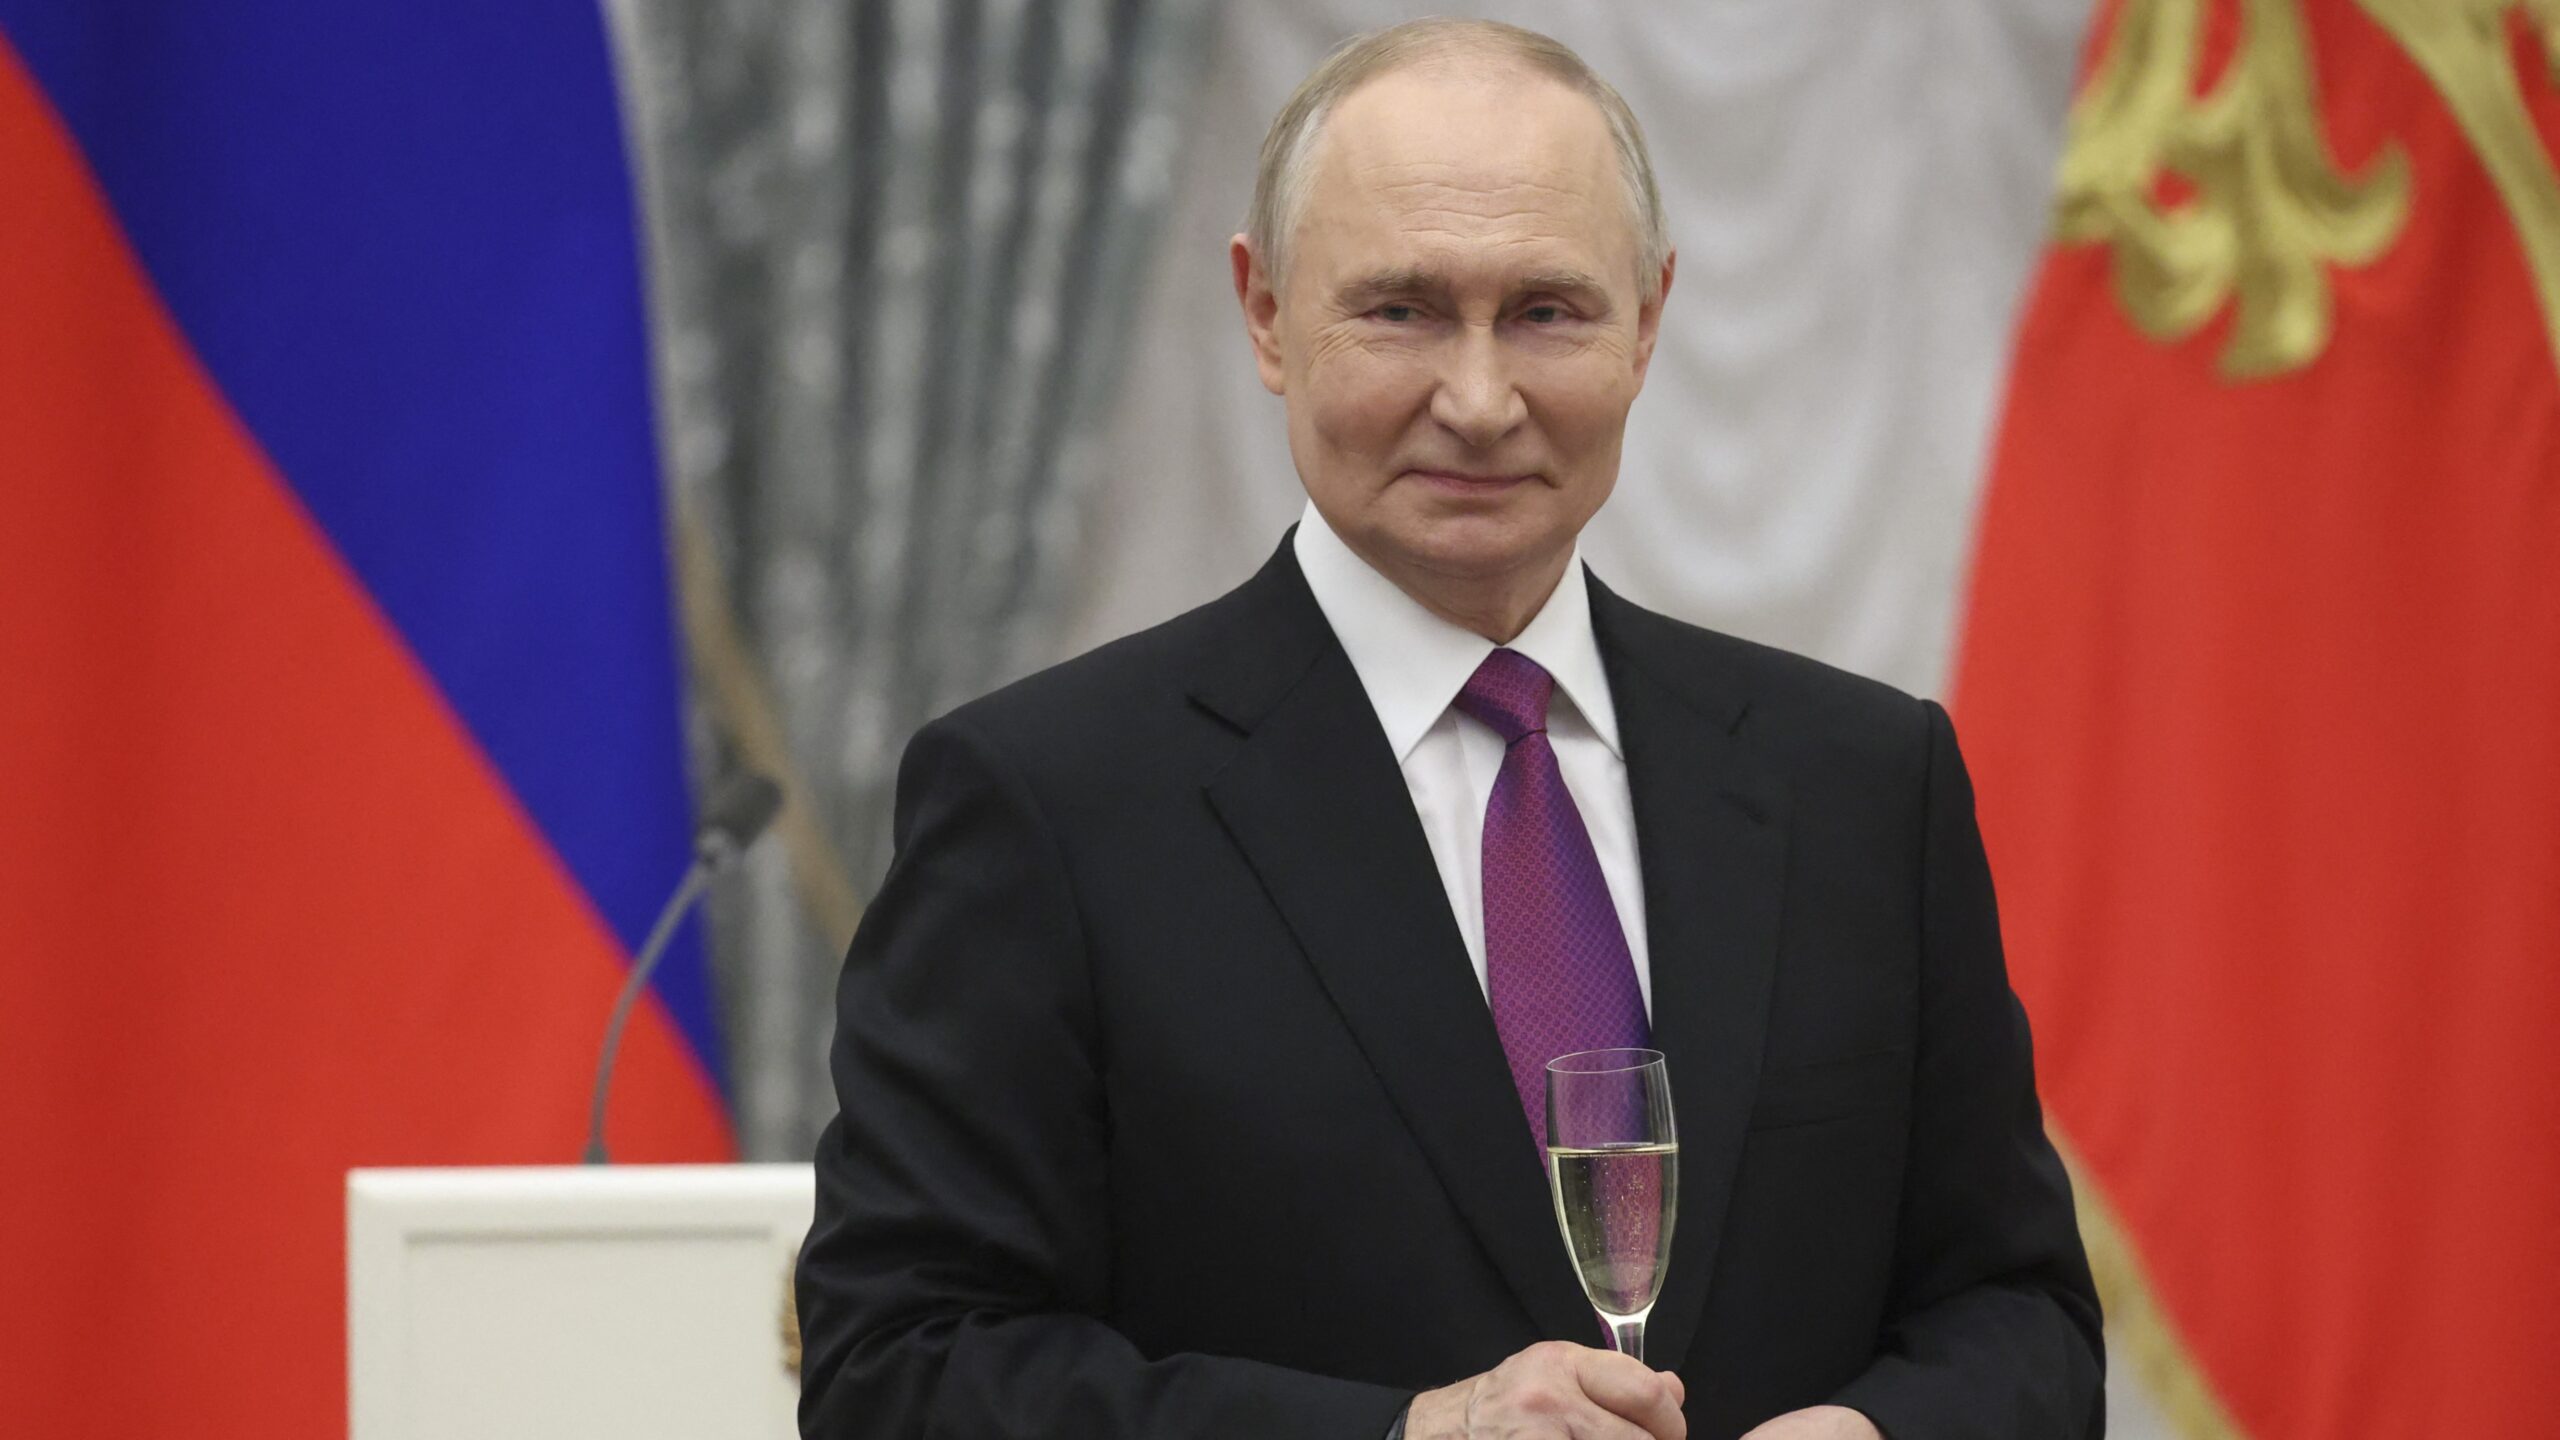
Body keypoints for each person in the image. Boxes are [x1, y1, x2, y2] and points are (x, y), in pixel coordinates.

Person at [796, 18, 2101, 1440]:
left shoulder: (1862, 783)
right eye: (1402, 310)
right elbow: (899, 1372)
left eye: (1548, 311)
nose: (1479, 401)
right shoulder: (1044, 803)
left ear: (1652, 320)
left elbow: (2019, 1318)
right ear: (1266, 314)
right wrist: (1412, 1437)